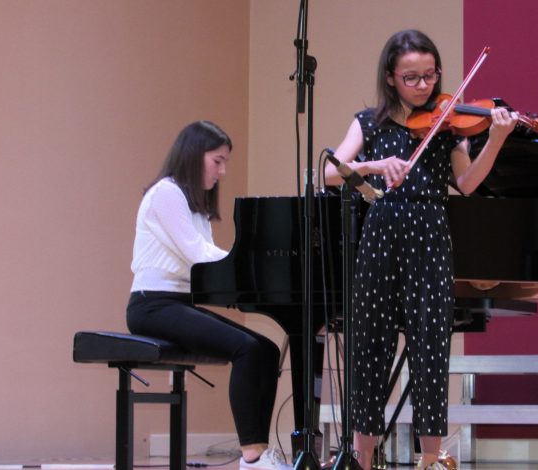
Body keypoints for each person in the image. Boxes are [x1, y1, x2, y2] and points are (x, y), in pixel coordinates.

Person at [323, 30, 518, 470]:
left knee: (431, 347)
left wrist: (498, 140)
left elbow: (466, 185)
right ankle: (363, 457)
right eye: (411, 77)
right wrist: (373, 166)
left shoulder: (447, 125)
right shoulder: (368, 122)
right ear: (390, 77)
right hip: (381, 233)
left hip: (431, 235)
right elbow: (333, 173)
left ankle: (432, 459)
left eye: (430, 75)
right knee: (370, 345)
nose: (423, 86)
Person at [126, 120, 287, 470]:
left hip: (178, 303)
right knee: (245, 348)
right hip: (151, 305)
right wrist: (249, 264)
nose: (223, 170)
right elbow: (198, 254)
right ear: (195, 155)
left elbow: (205, 265)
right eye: (218, 160)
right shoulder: (166, 193)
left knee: (268, 349)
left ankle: (257, 450)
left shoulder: (193, 206)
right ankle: (252, 455)